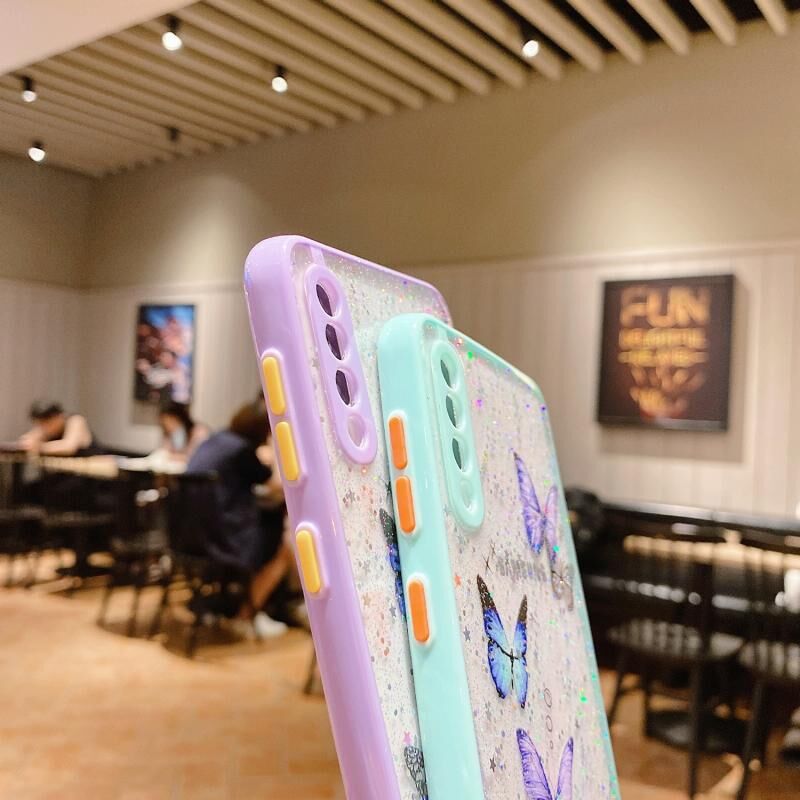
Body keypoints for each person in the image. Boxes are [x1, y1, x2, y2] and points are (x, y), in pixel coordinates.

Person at [186, 401, 292, 639]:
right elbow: (276, 484)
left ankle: (234, 605)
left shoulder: (215, 440)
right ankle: (246, 615)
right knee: (284, 550)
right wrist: (276, 447)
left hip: (192, 536)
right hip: (225, 539)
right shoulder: (241, 451)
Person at [17, 401, 102, 456]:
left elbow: (69, 447)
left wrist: (39, 447)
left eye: (47, 423)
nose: (44, 427)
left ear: (59, 416)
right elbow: (27, 441)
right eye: (40, 424)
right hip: (66, 472)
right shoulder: (45, 428)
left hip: (91, 472)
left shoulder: (75, 420)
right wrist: (30, 441)